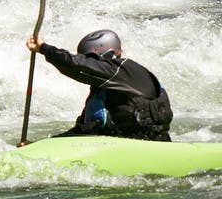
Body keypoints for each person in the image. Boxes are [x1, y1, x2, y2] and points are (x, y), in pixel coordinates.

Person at [26, 28, 173, 141]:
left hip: (152, 142)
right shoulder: (104, 90)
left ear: (105, 54)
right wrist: (41, 145)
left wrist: (44, 48)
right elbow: (82, 130)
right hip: (120, 145)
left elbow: (76, 66)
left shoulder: (126, 71)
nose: (90, 63)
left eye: (90, 58)